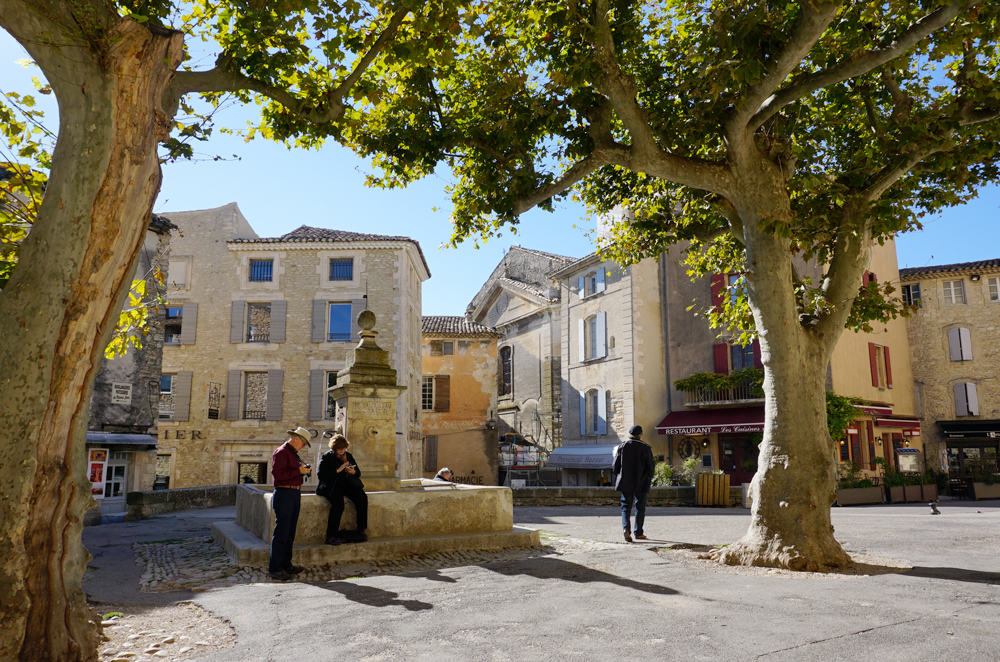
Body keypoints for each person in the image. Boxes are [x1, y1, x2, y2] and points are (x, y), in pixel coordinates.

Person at [268, 426, 312, 580]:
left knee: (290, 532)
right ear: (296, 439)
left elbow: (293, 472)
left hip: (293, 493)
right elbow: (278, 477)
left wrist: (303, 471)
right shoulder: (281, 453)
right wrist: (299, 471)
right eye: (304, 443)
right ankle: (275, 568)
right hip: (284, 493)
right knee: (281, 532)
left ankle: (286, 564)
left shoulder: (293, 454)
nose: (303, 446)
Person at [317, 434, 368, 544]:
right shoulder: (327, 457)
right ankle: (331, 535)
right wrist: (338, 470)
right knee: (338, 505)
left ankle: (361, 530)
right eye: (339, 449)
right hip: (332, 486)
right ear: (334, 448)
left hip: (347, 485)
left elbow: (358, 472)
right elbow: (321, 475)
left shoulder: (348, 456)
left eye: (344, 448)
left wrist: (353, 472)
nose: (342, 451)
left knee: (362, 497)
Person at [612, 424, 655, 543]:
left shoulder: (622, 446)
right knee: (640, 507)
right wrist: (648, 477)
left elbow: (615, 466)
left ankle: (626, 528)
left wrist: (619, 476)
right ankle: (639, 532)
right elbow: (650, 467)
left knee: (625, 506)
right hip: (641, 482)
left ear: (630, 435)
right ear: (640, 434)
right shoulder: (646, 448)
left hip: (626, 482)